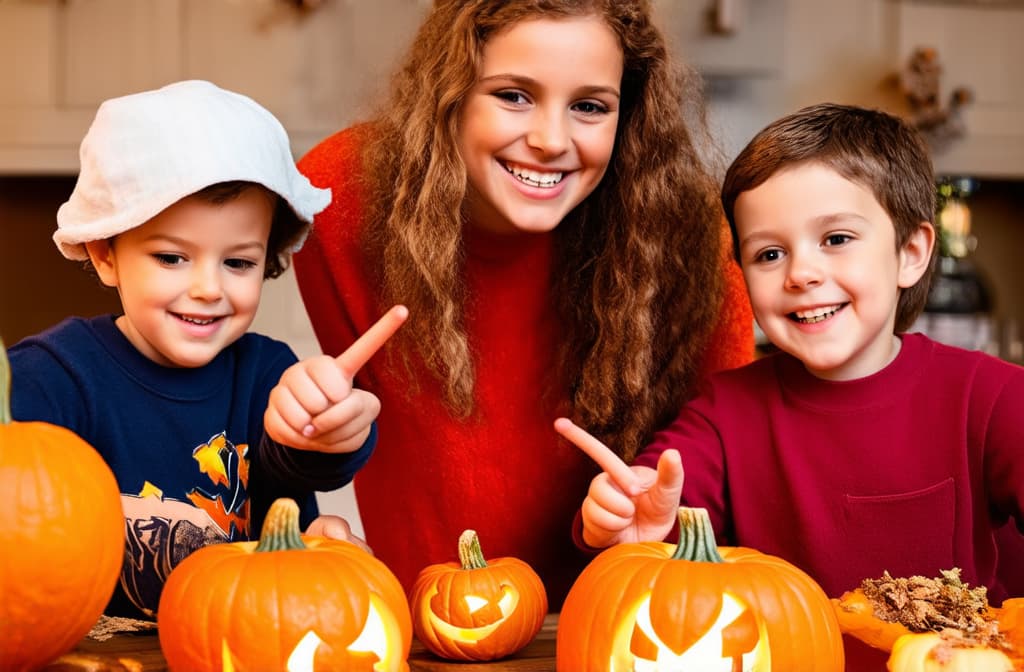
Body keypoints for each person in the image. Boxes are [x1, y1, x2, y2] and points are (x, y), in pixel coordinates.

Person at [293, 0, 754, 608]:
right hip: (425, 625)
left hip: (627, 624)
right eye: (513, 95)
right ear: (449, 90)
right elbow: (365, 437)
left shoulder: (693, 238)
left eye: (590, 106)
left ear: (630, 113)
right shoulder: (339, 197)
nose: (549, 140)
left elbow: (720, 465)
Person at [565, 103, 1024, 668]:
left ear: (910, 254)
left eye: (835, 238)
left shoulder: (994, 398)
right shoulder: (724, 412)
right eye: (770, 253)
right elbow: (659, 492)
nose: (800, 274)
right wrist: (633, 519)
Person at [6, 80, 407, 619]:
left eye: (237, 262)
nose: (209, 289)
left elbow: (298, 464)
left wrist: (328, 428)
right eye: (172, 258)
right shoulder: (51, 377)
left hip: (240, 645)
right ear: (105, 253)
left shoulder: (266, 375)